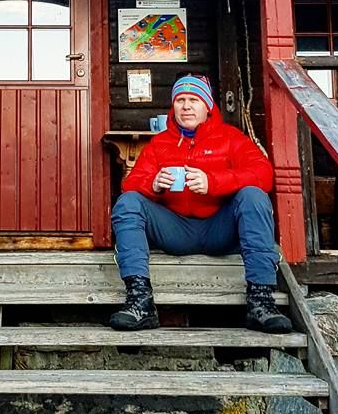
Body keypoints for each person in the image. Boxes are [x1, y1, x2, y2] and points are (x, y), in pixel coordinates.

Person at [110, 74, 291, 334]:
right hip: (176, 230)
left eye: (193, 100)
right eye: (180, 100)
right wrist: (154, 184)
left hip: (220, 228)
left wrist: (214, 182)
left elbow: (263, 174)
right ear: (172, 107)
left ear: (207, 106)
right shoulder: (160, 143)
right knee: (128, 203)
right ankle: (140, 301)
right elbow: (130, 184)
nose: (186, 106)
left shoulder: (231, 138)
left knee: (254, 196)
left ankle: (260, 301)